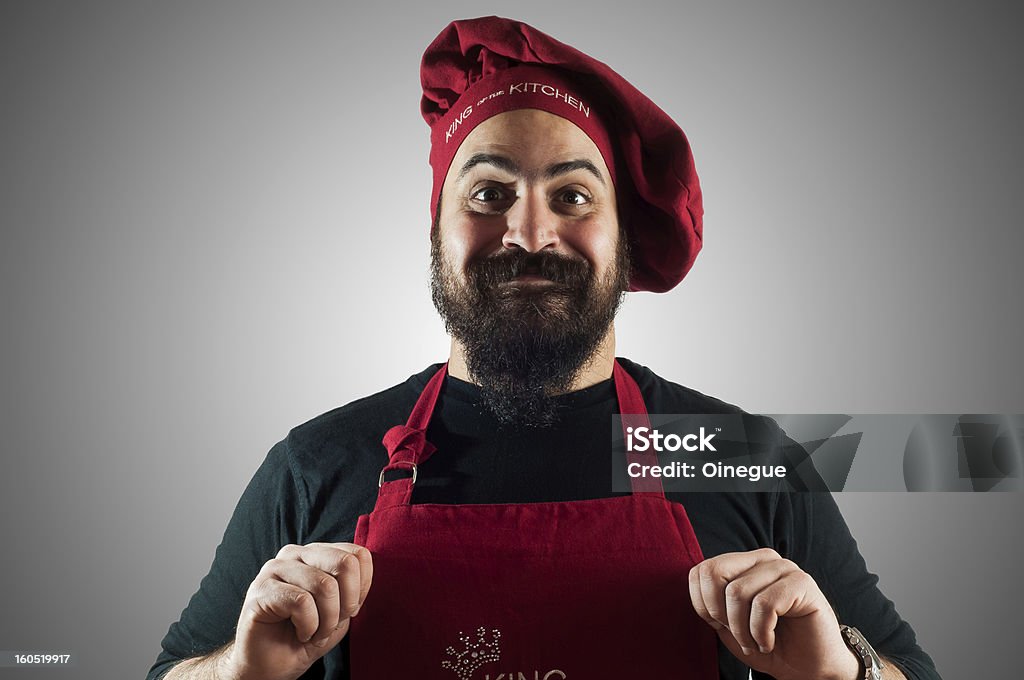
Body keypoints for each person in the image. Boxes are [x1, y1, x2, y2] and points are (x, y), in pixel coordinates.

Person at [149, 16, 940, 680]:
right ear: (437, 231)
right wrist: (235, 672)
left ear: (622, 237)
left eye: (572, 195)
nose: (530, 233)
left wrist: (844, 671)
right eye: (490, 193)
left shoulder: (735, 455)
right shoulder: (318, 464)